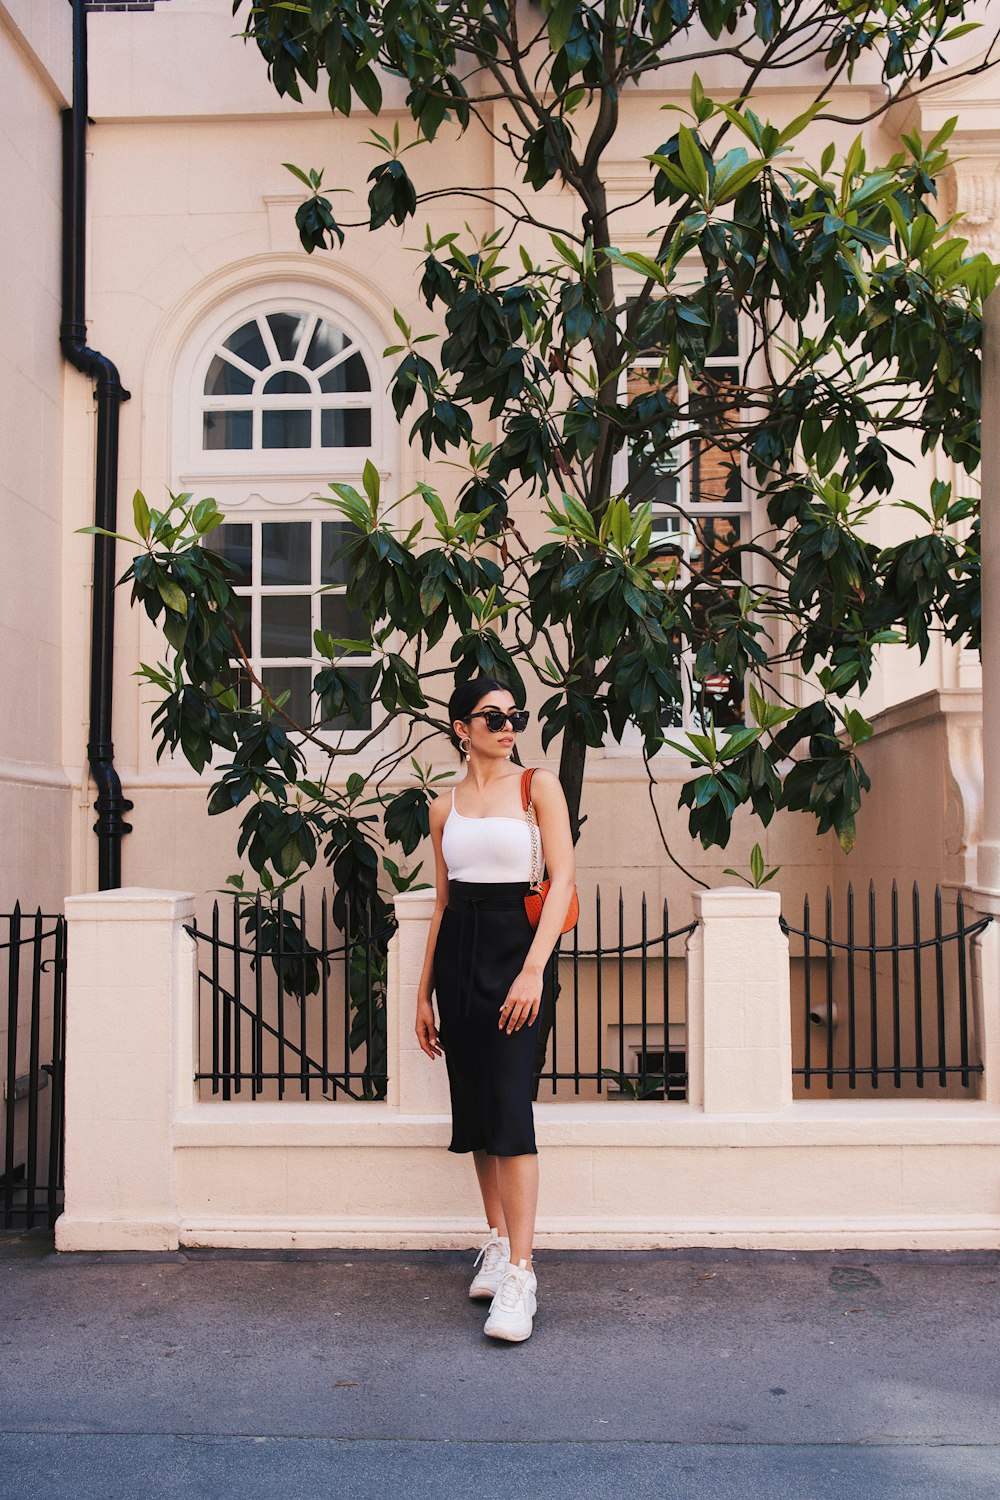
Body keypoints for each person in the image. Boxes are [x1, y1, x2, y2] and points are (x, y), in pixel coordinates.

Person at [414, 676, 575, 1343]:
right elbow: (444, 902)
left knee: (511, 1109)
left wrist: (533, 971)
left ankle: (523, 1275)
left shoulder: (537, 786)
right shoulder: (442, 807)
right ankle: (497, 1241)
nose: (508, 727)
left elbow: (562, 877)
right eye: (493, 717)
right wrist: (423, 991)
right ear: (462, 726)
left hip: (519, 953)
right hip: (460, 959)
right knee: (478, 1112)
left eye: (516, 716)